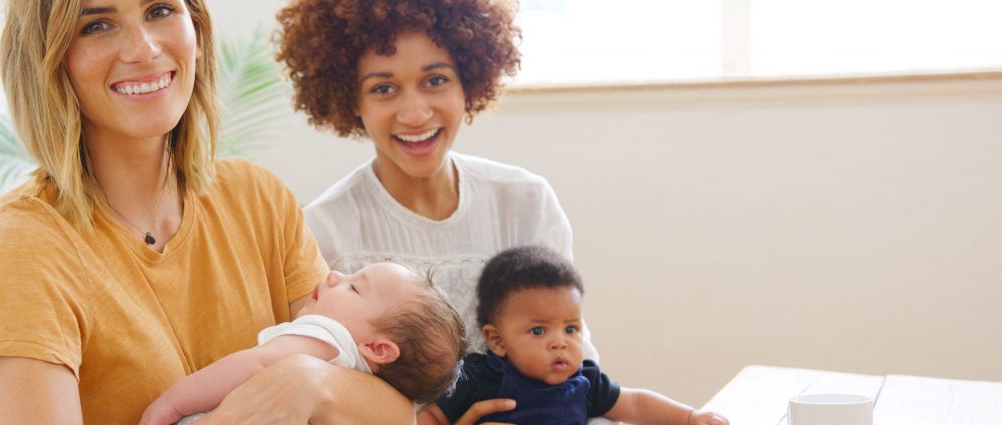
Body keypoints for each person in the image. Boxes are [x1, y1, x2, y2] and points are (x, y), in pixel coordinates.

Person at [0, 0, 419, 423]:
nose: (145, 48)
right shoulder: (28, 242)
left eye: (159, 10)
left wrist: (310, 380)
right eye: (97, 25)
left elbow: (396, 415)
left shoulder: (258, 199)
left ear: (196, 32)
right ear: (49, 62)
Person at [277, 1, 599, 421]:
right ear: (350, 99)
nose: (415, 113)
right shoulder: (326, 231)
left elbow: (575, 356)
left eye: (435, 80)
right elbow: (319, 390)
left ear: (469, 81)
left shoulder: (525, 202)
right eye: (383, 88)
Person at [422, 246, 730, 425]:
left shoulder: (584, 381)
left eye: (571, 328)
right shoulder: (478, 376)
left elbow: (634, 403)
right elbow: (433, 416)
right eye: (538, 330)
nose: (561, 342)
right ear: (498, 341)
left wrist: (691, 417)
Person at [139, 263, 468, 425]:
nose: (335, 275)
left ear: (378, 349)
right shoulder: (361, 382)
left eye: (354, 288)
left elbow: (257, 364)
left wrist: (173, 403)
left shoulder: (328, 337)